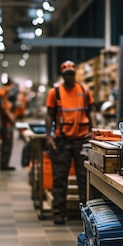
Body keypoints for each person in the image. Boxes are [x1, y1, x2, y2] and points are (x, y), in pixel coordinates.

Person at [45, 60, 96, 225]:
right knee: (60, 178)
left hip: (82, 140)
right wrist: (49, 136)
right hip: (63, 141)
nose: (69, 77)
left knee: (84, 179)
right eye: (66, 74)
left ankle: (86, 215)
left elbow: (92, 111)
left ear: (74, 74)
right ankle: (58, 213)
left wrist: (93, 131)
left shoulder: (84, 90)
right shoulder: (55, 93)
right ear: (63, 75)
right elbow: (49, 115)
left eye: (71, 74)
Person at [0, 76, 16, 171]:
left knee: (5, 144)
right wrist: (11, 118)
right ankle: (4, 164)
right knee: (7, 144)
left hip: (1, 122)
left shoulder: (0, 93)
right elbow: (3, 108)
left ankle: (4, 164)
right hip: (4, 123)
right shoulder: (2, 94)